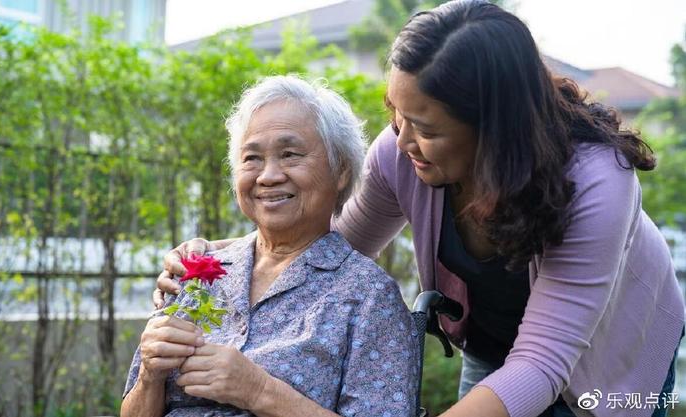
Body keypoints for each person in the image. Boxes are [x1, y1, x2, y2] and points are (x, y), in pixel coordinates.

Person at [155, 2, 685, 417]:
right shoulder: (400, 152)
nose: (402, 139)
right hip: (495, 343)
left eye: (426, 128)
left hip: (611, 363)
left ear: (491, 129)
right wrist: (218, 261)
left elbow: (543, 363)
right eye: (395, 113)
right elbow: (332, 244)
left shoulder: (595, 182)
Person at [122, 75, 419, 417]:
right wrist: (149, 376)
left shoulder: (368, 296)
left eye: (290, 154)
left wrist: (258, 390)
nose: (268, 176)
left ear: (340, 170)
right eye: (251, 158)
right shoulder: (197, 273)